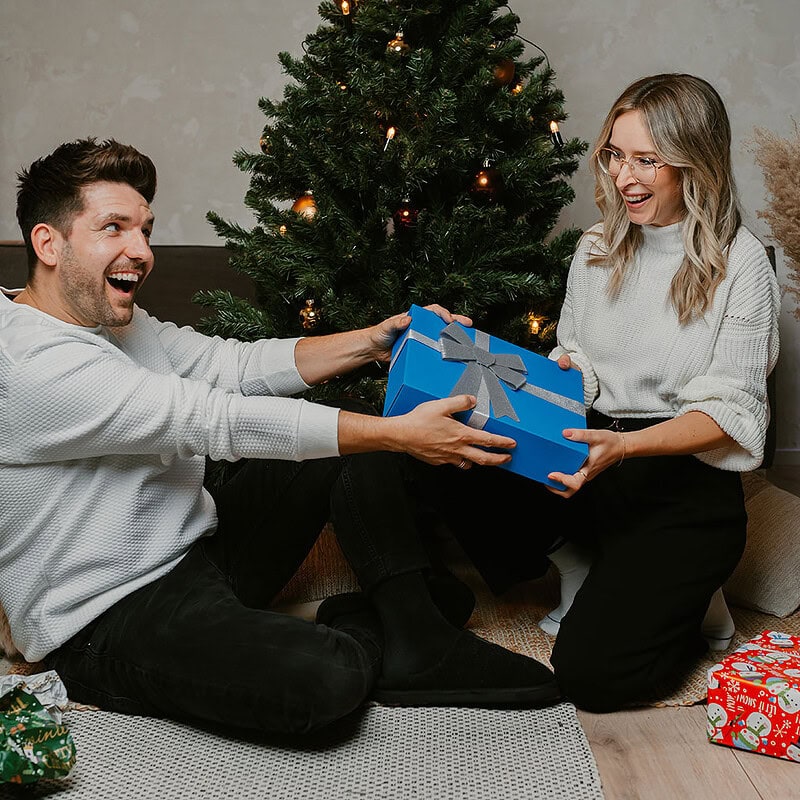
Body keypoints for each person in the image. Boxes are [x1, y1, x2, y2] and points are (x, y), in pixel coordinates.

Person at [0, 138, 561, 736]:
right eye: (114, 228)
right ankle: (370, 629)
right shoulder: (31, 365)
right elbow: (212, 419)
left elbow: (231, 366)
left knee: (344, 427)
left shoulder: (117, 322)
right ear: (48, 243)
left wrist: (372, 339)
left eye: (145, 230)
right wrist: (398, 435)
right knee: (329, 680)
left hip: (199, 554)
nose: (140, 251)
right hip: (107, 616)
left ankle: (416, 634)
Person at [413, 73, 780, 712]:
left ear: (696, 164)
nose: (622, 177)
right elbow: (576, 362)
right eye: (614, 154)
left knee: (591, 677)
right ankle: (577, 559)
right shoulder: (595, 247)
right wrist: (494, 364)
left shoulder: (741, 263)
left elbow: (733, 412)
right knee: (445, 442)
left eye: (647, 160)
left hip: (679, 483)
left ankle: (692, 599)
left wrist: (627, 448)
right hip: (589, 450)